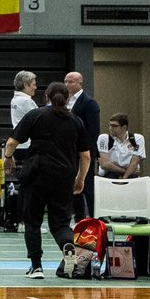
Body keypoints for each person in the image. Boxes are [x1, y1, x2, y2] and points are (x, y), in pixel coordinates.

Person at [3, 81, 90, 280]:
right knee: (60, 223)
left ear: (46, 97)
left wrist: (8, 157)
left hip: (37, 173)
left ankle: (36, 266)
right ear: (67, 99)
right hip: (64, 176)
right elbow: (85, 155)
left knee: (32, 221)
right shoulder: (76, 120)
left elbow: (12, 142)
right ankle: (67, 246)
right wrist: (80, 179)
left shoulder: (36, 115)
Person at [65, 71, 102, 218]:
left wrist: (84, 148)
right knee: (73, 185)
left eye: (71, 82)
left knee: (86, 184)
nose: (67, 85)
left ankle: (93, 217)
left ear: (80, 83)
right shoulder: (65, 101)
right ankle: (79, 217)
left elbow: (93, 130)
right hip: (69, 150)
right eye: (66, 81)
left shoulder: (89, 103)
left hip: (83, 150)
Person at [97, 115, 146, 180]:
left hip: (130, 175)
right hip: (108, 175)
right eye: (110, 125)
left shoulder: (137, 139)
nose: (111, 128)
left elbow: (134, 163)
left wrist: (124, 178)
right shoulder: (104, 138)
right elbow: (104, 164)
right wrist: (123, 171)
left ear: (124, 127)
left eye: (114, 126)